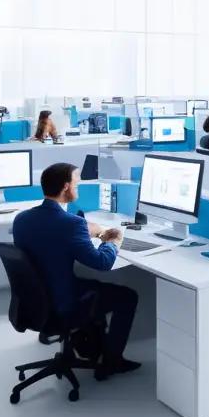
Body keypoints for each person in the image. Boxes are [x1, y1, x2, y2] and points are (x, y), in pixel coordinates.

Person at [12, 162, 140, 378]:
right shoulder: (70, 224)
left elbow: (51, 238)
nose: (78, 188)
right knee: (127, 297)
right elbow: (102, 263)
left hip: (34, 300)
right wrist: (114, 241)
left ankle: (93, 347)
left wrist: (87, 232)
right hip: (63, 301)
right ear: (65, 188)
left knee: (96, 288)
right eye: (76, 184)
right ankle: (111, 361)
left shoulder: (22, 219)